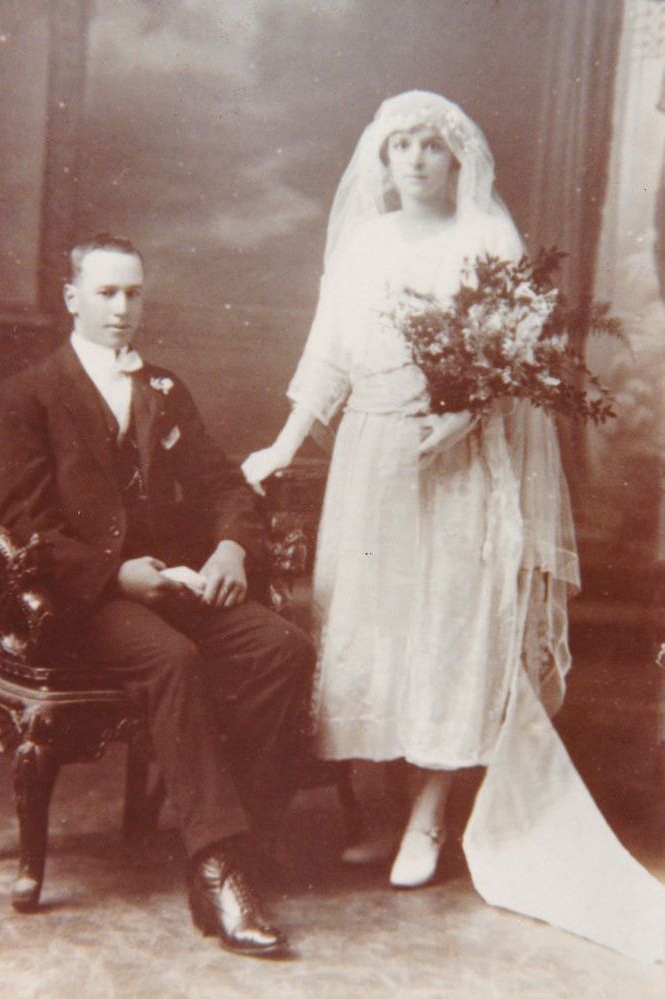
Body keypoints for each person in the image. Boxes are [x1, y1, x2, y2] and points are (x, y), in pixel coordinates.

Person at [242, 91, 665, 962]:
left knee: (446, 626)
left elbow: (511, 362)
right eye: (401, 146)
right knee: (374, 627)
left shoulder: (487, 240)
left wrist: (466, 419)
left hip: (460, 465)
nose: (416, 161)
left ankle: (430, 818)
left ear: (457, 156)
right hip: (376, 456)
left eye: (431, 146)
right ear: (382, 159)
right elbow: (327, 350)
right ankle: (391, 804)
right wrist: (283, 442)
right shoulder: (363, 243)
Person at [0, 233, 315, 959]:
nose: (122, 308)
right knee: (173, 659)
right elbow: (23, 529)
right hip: (82, 603)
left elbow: (226, 484)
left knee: (281, 647)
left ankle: (242, 838)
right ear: (71, 297)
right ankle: (218, 869)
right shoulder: (28, 395)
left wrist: (232, 546)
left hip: (169, 583)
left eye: (134, 293)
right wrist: (116, 575)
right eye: (106, 292)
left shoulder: (164, 388)